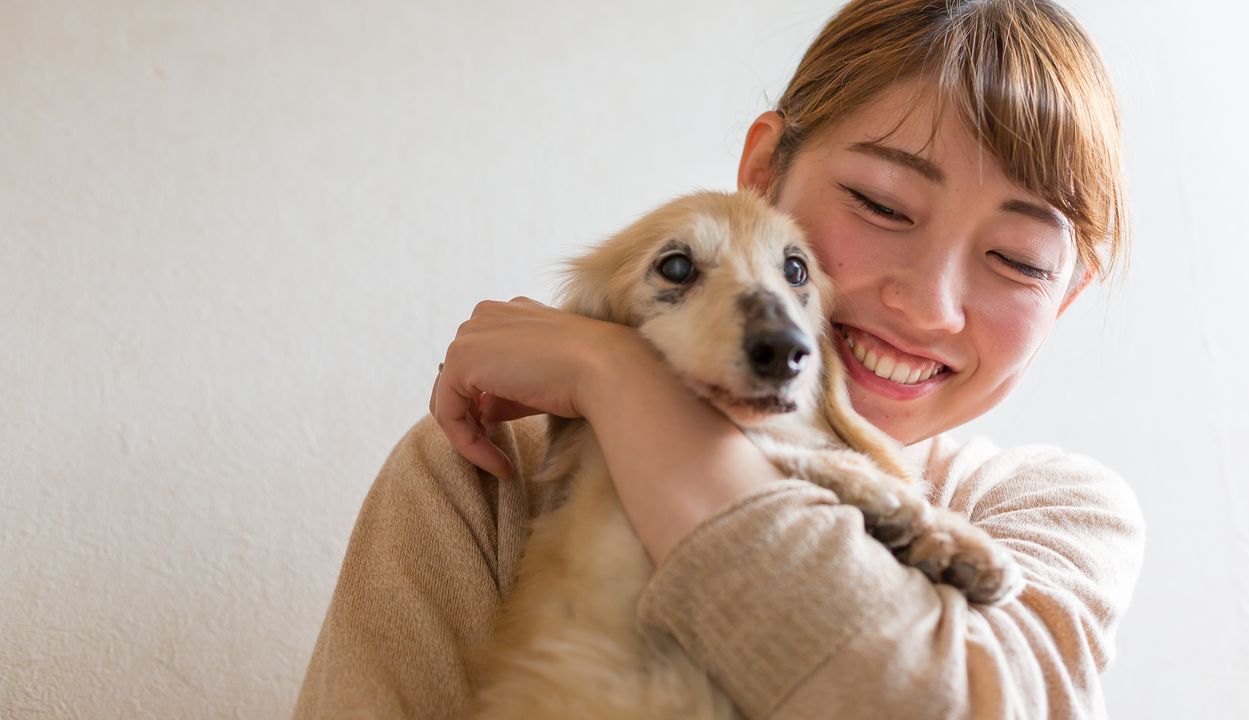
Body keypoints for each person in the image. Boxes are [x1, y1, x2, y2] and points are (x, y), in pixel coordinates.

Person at [292, 0, 1144, 717]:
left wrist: (619, 379)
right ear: (764, 174)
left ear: (1065, 297)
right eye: (880, 204)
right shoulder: (483, 474)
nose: (928, 304)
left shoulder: (1048, 515)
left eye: (1018, 261)